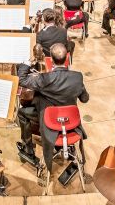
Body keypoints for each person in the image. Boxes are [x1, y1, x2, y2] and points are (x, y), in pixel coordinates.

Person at [17, 44, 89, 176]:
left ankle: (28, 149)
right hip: (71, 122)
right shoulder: (77, 77)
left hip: (51, 122)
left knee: (21, 113)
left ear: (51, 59)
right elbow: (85, 99)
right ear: (67, 58)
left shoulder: (45, 79)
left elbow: (22, 79)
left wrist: (27, 62)